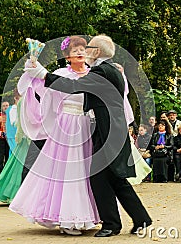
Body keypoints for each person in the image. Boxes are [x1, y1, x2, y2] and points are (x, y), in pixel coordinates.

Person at [23, 34, 152, 237]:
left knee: (100, 178)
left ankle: (111, 225)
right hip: (111, 132)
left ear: (97, 52)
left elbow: (74, 86)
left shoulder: (101, 71)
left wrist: (42, 74)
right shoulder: (111, 70)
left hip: (107, 133)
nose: (85, 51)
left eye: (88, 47)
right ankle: (140, 219)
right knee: (115, 179)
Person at [10, 36, 99, 236]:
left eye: (82, 49)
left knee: (85, 170)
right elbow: (42, 87)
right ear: (67, 56)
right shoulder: (59, 74)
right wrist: (34, 69)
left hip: (86, 123)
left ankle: (85, 217)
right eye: (75, 50)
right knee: (68, 170)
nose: (80, 52)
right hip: (67, 123)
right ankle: (67, 219)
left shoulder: (93, 73)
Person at [0, 97, 30, 203]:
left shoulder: (21, 106)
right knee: (17, 168)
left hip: (26, 140)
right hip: (24, 141)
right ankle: (17, 193)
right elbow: (15, 123)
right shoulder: (14, 109)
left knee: (15, 167)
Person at [0, 101, 10, 176]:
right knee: (0, 156)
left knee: (8, 156)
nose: (5, 107)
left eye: (7, 105)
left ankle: (7, 174)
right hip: (1, 138)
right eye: (4, 106)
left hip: (9, 138)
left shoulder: (11, 115)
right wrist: (2, 132)